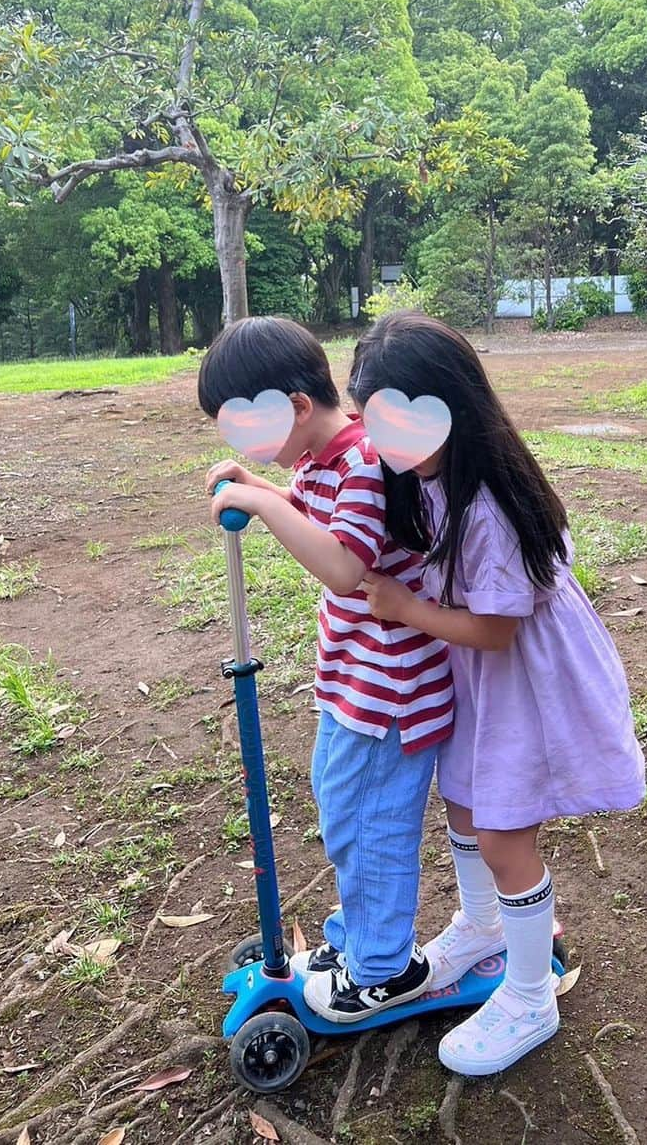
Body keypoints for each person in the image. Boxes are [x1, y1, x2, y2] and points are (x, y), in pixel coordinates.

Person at [348, 312, 646, 1076]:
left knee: (507, 832)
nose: (380, 446)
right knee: (467, 803)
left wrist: (406, 609)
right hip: (482, 679)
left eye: (391, 424)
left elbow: (495, 631)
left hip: (525, 679)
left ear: (446, 410)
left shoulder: (491, 505)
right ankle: (482, 926)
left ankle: (527, 993)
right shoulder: (431, 475)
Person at [199, 317, 453, 1023]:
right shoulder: (326, 460)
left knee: (371, 827)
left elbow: (344, 566)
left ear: (297, 407)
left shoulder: (363, 462)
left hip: (390, 695)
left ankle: (385, 968)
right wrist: (264, 487)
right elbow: (316, 519)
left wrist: (257, 502)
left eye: (250, 432)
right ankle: (359, 941)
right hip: (357, 685)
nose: (245, 447)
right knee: (346, 815)